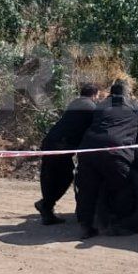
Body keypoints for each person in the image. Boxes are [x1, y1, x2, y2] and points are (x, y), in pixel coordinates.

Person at [75, 80, 138, 239]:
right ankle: (118, 226)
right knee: (121, 188)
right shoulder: (133, 105)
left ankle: (85, 226)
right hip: (115, 152)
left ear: (111, 92)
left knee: (87, 190)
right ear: (128, 93)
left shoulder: (101, 105)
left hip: (88, 148)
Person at [35, 84, 100, 225]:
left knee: (49, 176)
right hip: (61, 146)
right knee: (66, 176)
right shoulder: (91, 107)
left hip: (51, 142)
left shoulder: (74, 104)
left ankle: (47, 209)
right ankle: (46, 205)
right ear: (95, 94)